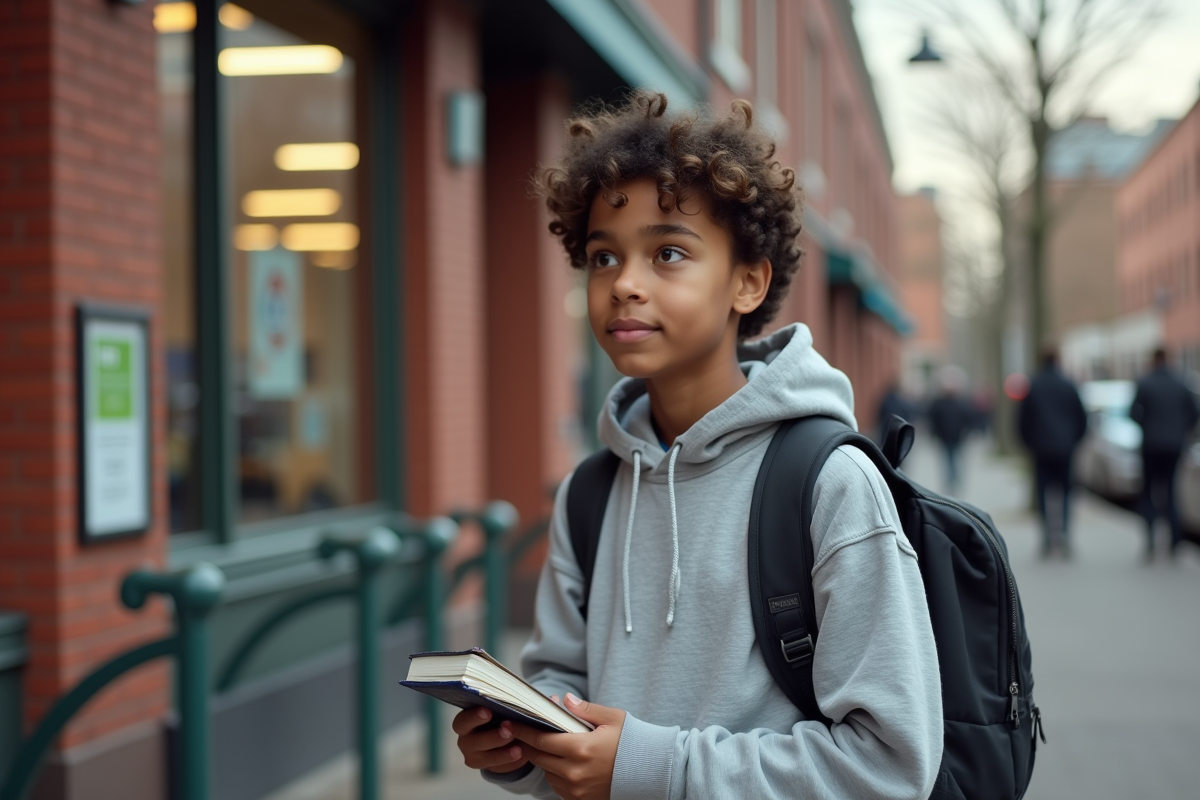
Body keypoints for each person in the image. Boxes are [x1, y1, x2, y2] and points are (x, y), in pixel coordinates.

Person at [454, 94, 942, 799]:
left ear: (748, 282)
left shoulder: (830, 483)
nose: (624, 284)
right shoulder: (591, 491)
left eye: (669, 253)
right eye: (603, 257)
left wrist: (652, 767)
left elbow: (890, 766)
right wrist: (524, 748)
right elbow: (565, 687)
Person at [1130, 347, 1200, 561]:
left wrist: (1147, 426)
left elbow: (1133, 413)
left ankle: (1151, 541)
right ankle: (1174, 542)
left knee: (1149, 493)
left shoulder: (1145, 383)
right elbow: (1195, 413)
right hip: (1174, 446)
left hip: (1151, 445)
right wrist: (1181, 431)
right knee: (1171, 492)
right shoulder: (1181, 383)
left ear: (1153, 360)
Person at [1017, 350, 1087, 558]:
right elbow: (1082, 418)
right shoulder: (1068, 385)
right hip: (1065, 449)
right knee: (1066, 494)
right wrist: (1073, 440)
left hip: (1041, 449)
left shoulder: (1034, 385)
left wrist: (1029, 443)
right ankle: (1064, 536)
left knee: (1043, 494)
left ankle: (1047, 538)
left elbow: (1023, 419)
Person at [927, 367, 975, 494]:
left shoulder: (954, 403)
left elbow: (968, 419)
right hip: (948, 436)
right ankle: (952, 480)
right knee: (951, 458)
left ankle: (952, 480)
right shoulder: (951, 403)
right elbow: (934, 420)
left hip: (954, 436)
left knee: (951, 458)